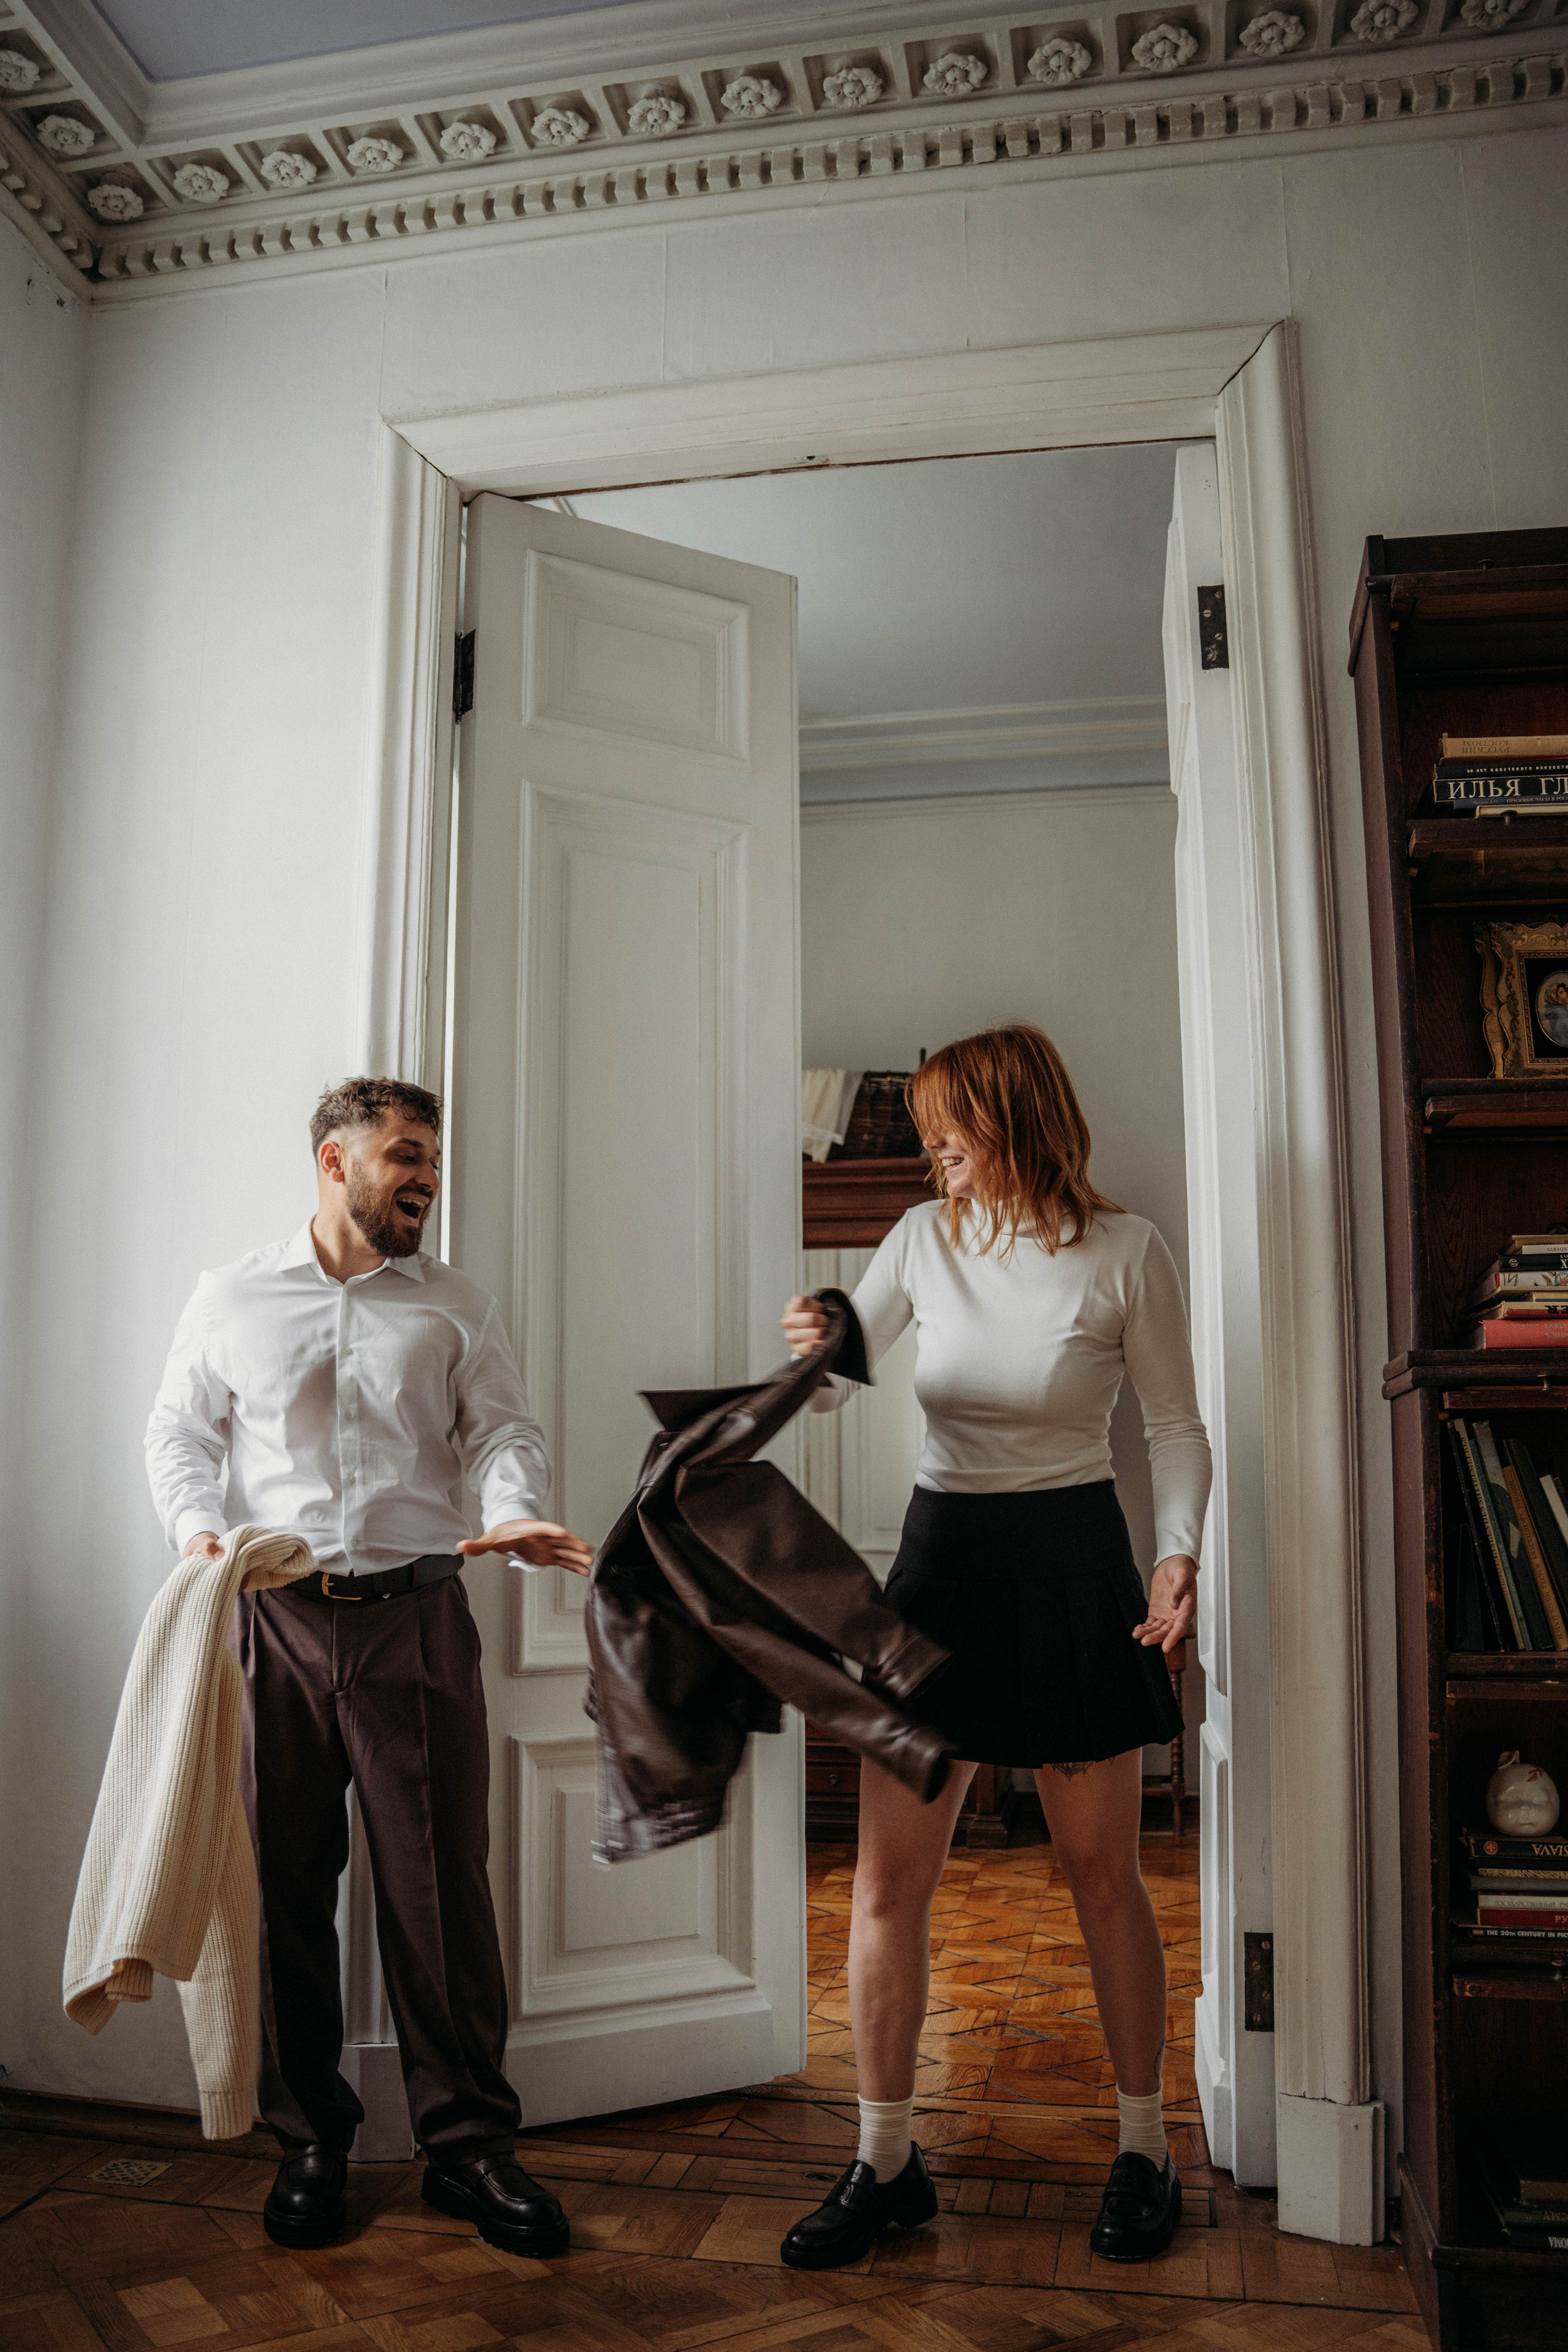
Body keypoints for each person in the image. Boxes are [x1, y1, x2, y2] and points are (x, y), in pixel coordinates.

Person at [777, 1024, 1210, 2272]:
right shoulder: (921, 1239)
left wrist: (1175, 1554)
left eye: (946, 1127)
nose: (932, 1150)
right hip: (939, 1571)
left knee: (1096, 1874)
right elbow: (835, 1373)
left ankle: (1143, 2149)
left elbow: (1175, 1428)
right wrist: (807, 1354)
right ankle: (882, 2158)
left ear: (1010, 1115)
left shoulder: (1125, 1251)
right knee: (887, 1885)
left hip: (1075, 1567)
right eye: (924, 1132)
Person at [145, 1077, 595, 2256]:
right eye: (406, 1154)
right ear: (334, 1161)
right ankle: (307, 2144)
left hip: (420, 1622)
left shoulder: (456, 1303)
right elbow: (179, 1430)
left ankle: (469, 2151)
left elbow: (502, 1430)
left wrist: (513, 1507)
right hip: (275, 1620)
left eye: (434, 1161)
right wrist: (198, 1535)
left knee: (440, 1896)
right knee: (287, 1889)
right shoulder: (231, 1294)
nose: (427, 1179)